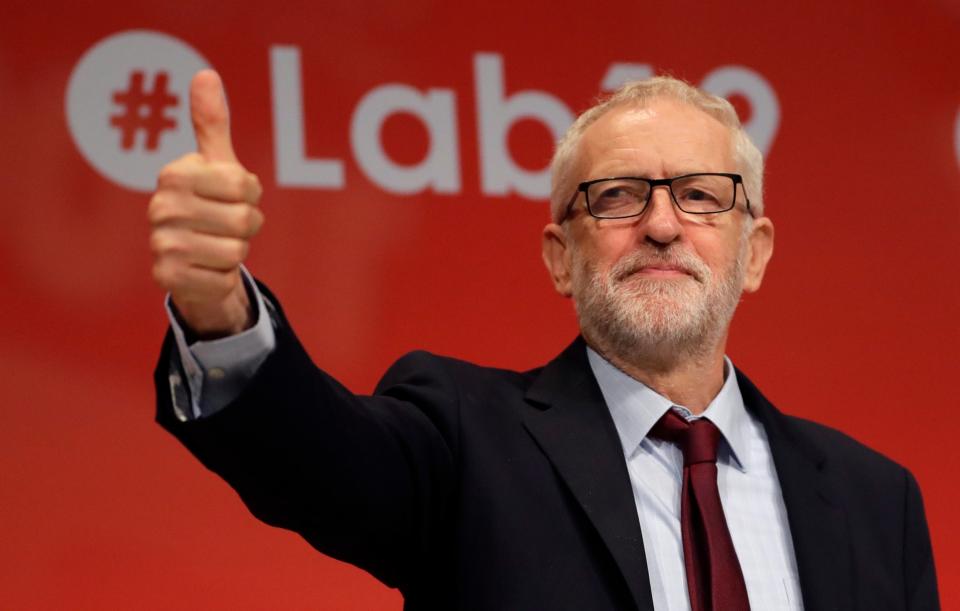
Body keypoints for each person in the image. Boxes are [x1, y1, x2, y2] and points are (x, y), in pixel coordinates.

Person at [150, 70, 940, 611]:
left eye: (700, 196)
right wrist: (218, 306)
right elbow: (314, 458)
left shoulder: (878, 501)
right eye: (619, 197)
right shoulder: (463, 438)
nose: (661, 225)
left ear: (755, 252)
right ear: (562, 258)